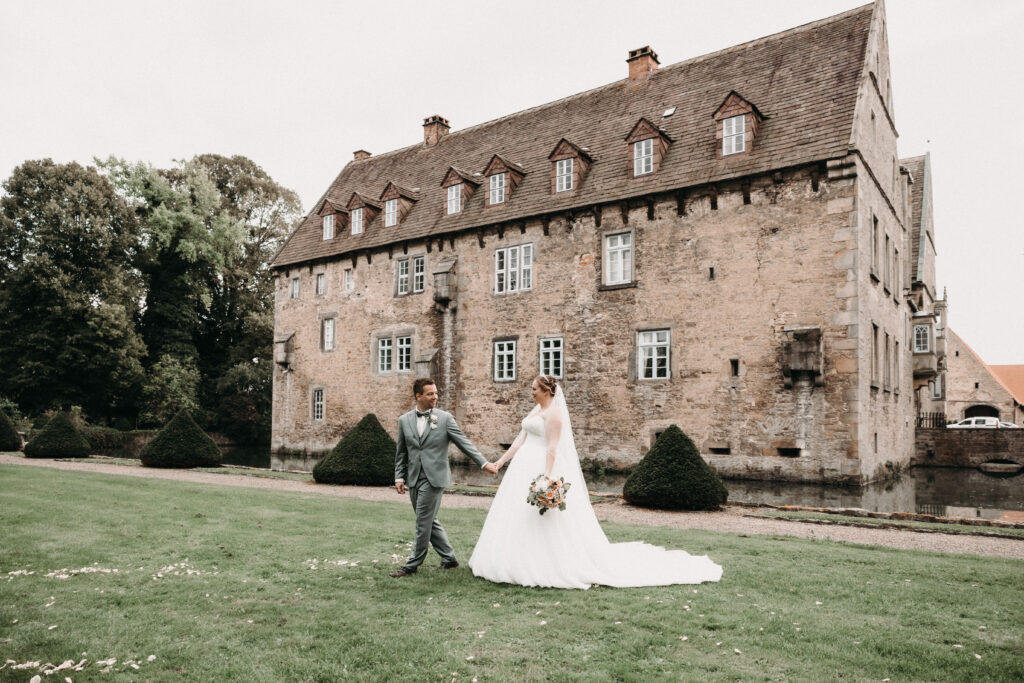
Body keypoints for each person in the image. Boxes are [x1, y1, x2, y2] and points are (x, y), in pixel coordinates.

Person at [469, 375, 723, 589]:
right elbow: (520, 438)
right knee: (515, 513)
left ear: (546, 391)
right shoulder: (536, 410)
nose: (531, 393)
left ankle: (545, 562)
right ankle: (511, 558)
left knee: (543, 518)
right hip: (521, 465)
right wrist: (501, 462)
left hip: (540, 466)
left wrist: (546, 478)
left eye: (534, 389)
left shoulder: (554, 415)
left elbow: (553, 448)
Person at [391, 378, 498, 578]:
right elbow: (401, 452)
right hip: (414, 477)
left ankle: (412, 565)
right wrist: (399, 476)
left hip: (435, 478)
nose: (435, 397)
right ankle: (449, 558)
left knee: (423, 521)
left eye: (436, 393)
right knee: (429, 520)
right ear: (418, 396)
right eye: (430, 394)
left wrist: (484, 464)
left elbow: (464, 443)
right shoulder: (404, 420)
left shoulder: (445, 418)